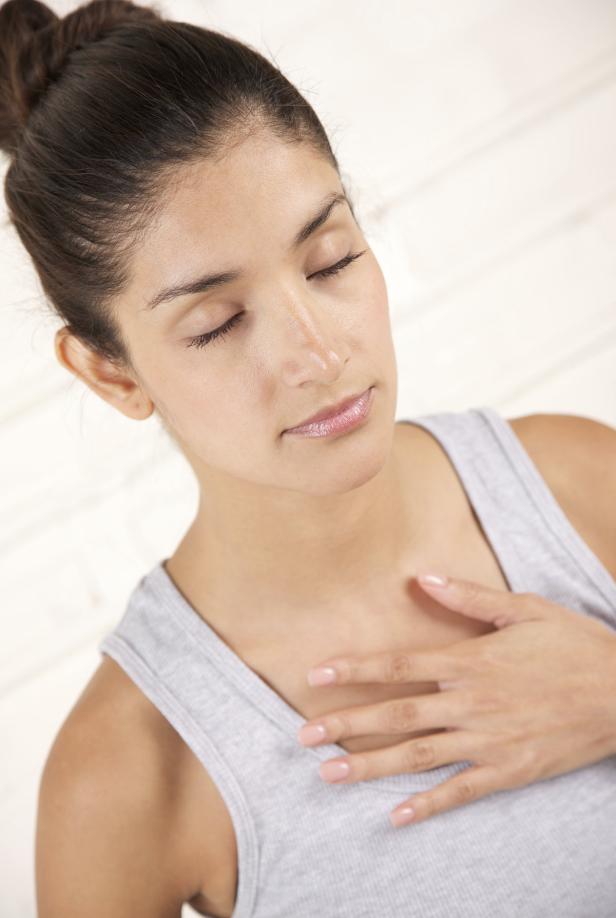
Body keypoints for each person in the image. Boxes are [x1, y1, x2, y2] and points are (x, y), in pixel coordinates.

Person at [1, 1, 615, 916]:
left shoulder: (574, 482)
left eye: (329, 261)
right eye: (217, 323)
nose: (318, 354)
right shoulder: (129, 777)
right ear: (110, 372)